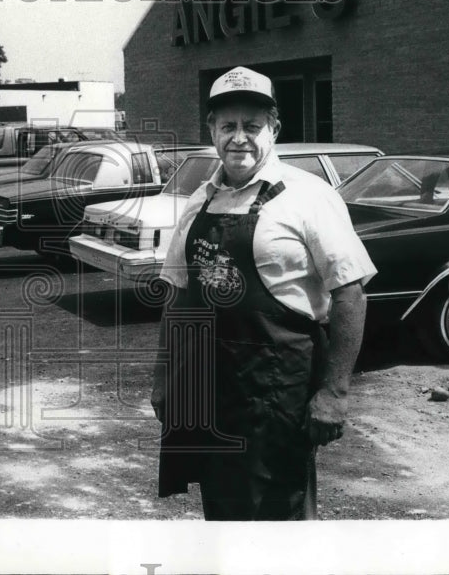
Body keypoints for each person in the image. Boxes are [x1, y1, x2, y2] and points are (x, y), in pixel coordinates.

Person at [150, 66, 376, 521]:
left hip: (277, 391)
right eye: (228, 126)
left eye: (252, 126)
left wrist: (334, 392)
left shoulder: (308, 196)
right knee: (221, 505)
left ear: (273, 129)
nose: (239, 139)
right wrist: (164, 377)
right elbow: (177, 294)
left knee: (281, 512)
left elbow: (351, 294)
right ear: (211, 130)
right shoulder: (199, 201)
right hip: (209, 390)